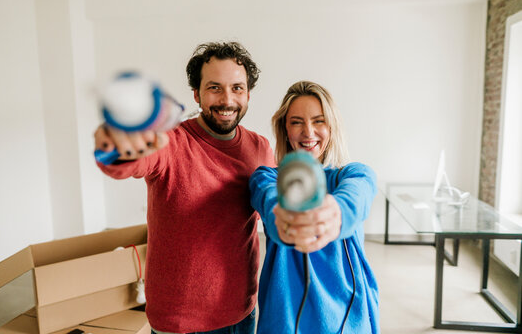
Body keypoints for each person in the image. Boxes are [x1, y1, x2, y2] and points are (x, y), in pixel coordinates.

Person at [94, 42, 275, 334]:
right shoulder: (172, 141)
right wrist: (117, 143)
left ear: (248, 94)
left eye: (237, 88)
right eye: (215, 88)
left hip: (240, 313)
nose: (227, 100)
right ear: (197, 94)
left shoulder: (259, 148)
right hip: (177, 321)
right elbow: (130, 161)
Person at [249, 81, 380, 333]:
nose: (308, 132)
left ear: (331, 127)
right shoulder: (266, 177)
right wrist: (286, 220)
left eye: (319, 121)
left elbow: (361, 189)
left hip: (349, 318)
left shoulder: (351, 174)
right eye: (296, 122)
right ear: (285, 129)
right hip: (285, 318)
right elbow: (269, 199)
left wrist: (336, 211)